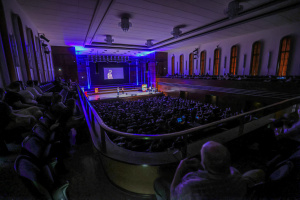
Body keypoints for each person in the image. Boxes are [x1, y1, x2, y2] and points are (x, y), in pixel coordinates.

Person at [155, 141, 265, 200]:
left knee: (159, 183)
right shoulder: (236, 175)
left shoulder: (191, 187)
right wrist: (202, 166)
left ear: (204, 164)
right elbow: (218, 171)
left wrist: (179, 168)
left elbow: (174, 195)